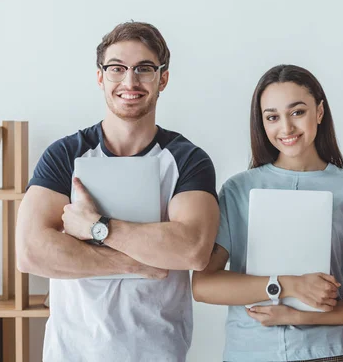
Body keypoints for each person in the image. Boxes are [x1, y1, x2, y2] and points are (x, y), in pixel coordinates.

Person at [16, 21, 220, 362]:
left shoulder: (188, 160)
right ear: (100, 77)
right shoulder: (64, 155)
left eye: (144, 69)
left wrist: (98, 228)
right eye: (117, 69)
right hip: (72, 352)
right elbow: (30, 252)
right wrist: (135, 263)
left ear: (163, 79)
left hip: (158, 351)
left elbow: (193, 251)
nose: (130, 81)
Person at [192, 64, 343, 362]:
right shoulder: (238, 190)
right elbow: (204, 285)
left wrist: (302, 316)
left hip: (323, 354)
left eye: (297, 112)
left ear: (319, 112)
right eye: (272, 117)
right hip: (247, 353)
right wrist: (288, 284)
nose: (286, 128)